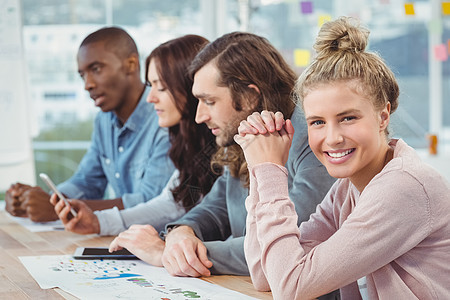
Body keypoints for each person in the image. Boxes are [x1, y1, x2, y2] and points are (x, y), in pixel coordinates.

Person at [236, 17, 450, 299]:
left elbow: (292, 287)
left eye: (347, 118)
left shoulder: (403, 187)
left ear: (383, 116)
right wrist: (257, 166)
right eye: (317, 122)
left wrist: (270, 171)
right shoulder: (348, 190)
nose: (333, 137)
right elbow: (266, 275)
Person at [110, 32, 337, 283]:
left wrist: (171, 253)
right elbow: (214, 208)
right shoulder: (243, 139)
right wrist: (181, 232)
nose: (200, 116)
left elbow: (290, 243)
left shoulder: (312, 139)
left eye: (209, 101)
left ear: (250, 96)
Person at [52, 35, 221, 246]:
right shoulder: (193, 148)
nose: (151, 98)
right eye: (151, 85)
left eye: (161, 87)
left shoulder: (223, 149)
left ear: (190, 87)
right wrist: (98, 222)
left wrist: (175, 240)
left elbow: (173, 208)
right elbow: (175, 203)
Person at [5, 27, 174, 222]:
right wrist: (43, 200)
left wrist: (62, 208)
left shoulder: (164, 119)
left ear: (131, 64)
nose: (87, 85)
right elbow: (87, 181)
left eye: (96, 69)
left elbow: (152, 204)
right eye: (82, 75)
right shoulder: (104, 121)